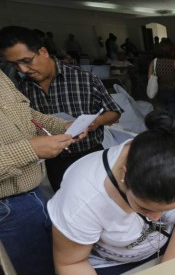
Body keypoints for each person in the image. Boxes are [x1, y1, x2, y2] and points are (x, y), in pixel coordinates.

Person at [48, 110, 175, 275]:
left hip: (165, 247)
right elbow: (71, 263)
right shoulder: (82, 199)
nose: (157, 218)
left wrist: (166, 268)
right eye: (145, 208)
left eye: (168, 209)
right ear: (124, 174)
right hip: (111, 266)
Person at [0, 25, 122, 192]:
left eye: (26, 61)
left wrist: (95, 122)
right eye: (15, 64)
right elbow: (30, 121)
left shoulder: (84, 78)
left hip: (89, 154)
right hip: (54, 161)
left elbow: (114, 113)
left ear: (43, 52)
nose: (22, 69)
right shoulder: (21, 88)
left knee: (103, 200)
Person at [0, 71, 76, 275]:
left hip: (34, 192)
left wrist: (59, 126)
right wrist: (30, 150)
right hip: (6, 207)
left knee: (56, 263)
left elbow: (25, 113)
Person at [148, 39, 175, 116]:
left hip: (160, 91)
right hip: (174, 92)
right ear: (172, 50)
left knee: (164, 114)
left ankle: (165, 127)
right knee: (173, 115)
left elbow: (149, 79)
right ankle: (172, 127)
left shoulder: (154, 62)